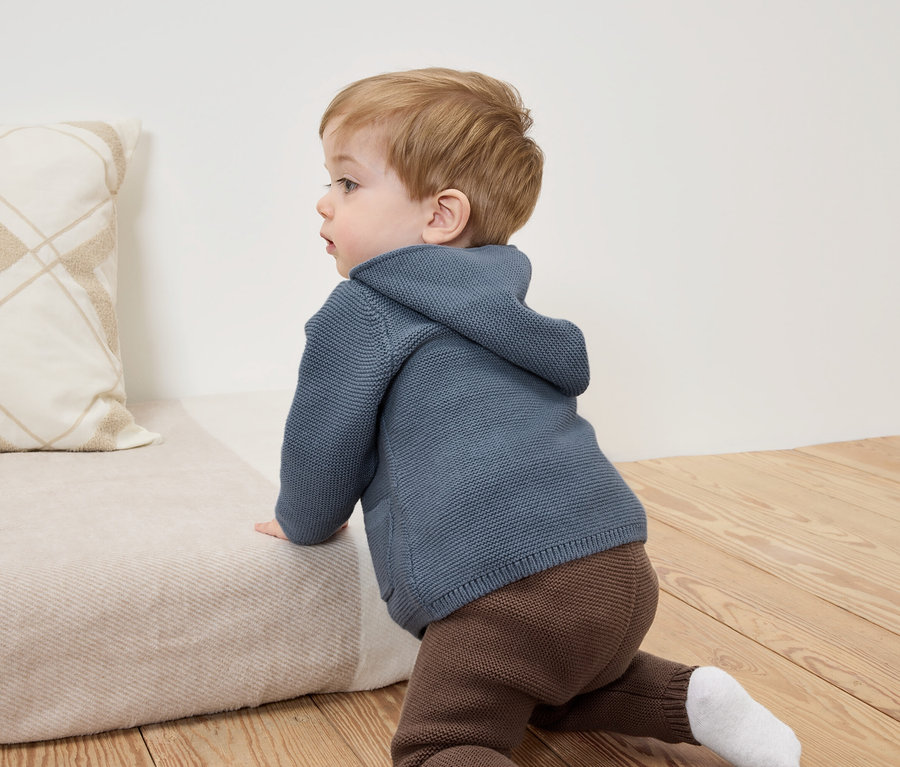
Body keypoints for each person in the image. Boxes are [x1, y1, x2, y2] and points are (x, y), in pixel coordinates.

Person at [255, 68, 802, 767]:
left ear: (441, 216)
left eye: (349, 183)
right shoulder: (510, 313)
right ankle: (691, 700)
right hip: (620, 568)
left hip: (504, 588)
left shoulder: (363, 310)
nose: (325, 203)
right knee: (560, 685)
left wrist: (304, 521)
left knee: (444, 742)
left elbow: (321, 442)